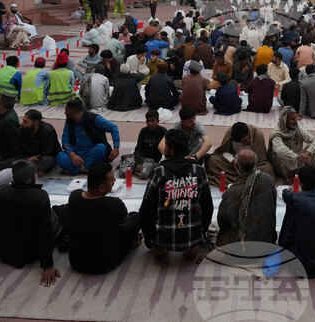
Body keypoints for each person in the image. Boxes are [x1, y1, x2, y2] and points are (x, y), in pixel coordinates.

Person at [140, 128, 213, 260]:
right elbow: (208, 207)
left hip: (162, 239)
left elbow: (145, 209)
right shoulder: (199, 171)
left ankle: (160, 247)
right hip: (192, 237)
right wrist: (201, 234)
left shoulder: (158, 172)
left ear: (171, 150)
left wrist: (149, 236)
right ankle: (193, 246)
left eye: (166, 146)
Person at [58, 162, 141, 274]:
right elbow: (125, 225)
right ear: (101, 188)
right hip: (105, 262)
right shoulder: (114, 204)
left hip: (76, 261)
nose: (114, 181)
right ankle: (133, 242)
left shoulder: (74, 196)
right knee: (137, 217)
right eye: (112, 180)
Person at [216, 149, 277, 246]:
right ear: (255, 164)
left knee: (223, 235)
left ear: (236, 166)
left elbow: (222, 221)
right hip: (267, 239)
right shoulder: (268, 179)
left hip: (244, 246)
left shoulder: (231, 193)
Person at [57, 98, 120, 175]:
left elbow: (113, 127)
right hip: (76, 153)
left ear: (72, 112)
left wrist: (116, 148)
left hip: (92, 153)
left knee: (101, 148)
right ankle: (86, 169)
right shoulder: (69, 121)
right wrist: (72, 155)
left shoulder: (93, 118)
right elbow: (65, 141)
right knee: (60, 156)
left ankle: (76, 169)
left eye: (66, 110)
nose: (65, 112)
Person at [0, 109, 61, 174]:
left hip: (40, 159)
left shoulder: (47, 131)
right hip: (27, 159)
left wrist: (30, 160)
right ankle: (29, 170)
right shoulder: (22, 131)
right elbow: (18, 151)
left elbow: (47, 153)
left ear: (35, 123)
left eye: (26, 121)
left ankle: (25, 170)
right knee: (0, 165)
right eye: (23, 120)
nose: (22, 124)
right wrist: (26, 159)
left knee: (48, 160)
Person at [206, 122, 272, 181]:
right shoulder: (230, 134)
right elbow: (223, 151)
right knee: (212, 160)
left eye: (245, 141)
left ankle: (240, 179)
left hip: (252, 166)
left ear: (248, 133)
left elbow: (260, 158)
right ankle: (246, 180)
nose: (242, 144)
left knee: (267, 168)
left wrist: (248, 164)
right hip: (235, 166)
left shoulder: (257, 134)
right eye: (240, 142)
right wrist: (232, 160)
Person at [270, 106, 315, 179]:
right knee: (284, 154)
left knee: (313, 148)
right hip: (284, 165)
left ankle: (301, 172)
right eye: (292, 119)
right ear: (284, 120)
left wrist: (307, 153)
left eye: (296, 118)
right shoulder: (277, 133)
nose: (296, 121)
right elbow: (280, 150)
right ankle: (294, 174)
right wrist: (297, 157)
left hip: (299, 161)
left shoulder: (297, 129)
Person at [118, 110, 166, 180]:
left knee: (144, 174)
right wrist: (138, 163)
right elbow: (138, 148)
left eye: (153, 121)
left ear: (157, 121)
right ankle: (132, 161)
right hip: (140, 156)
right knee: (123, 173)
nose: (150, 123)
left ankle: (133, 167)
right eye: (148, 121)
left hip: (152, 160)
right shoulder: (143, 131)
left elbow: (167, 146)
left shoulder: (162, 131)